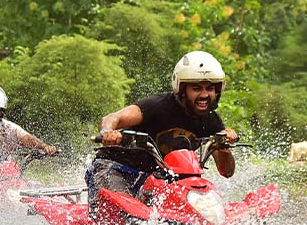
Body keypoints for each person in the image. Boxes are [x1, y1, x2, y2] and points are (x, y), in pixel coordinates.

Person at [86, 50, 239, 212]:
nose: (204, 95)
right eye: (196, 88)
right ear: (182, 89)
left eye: (210, 88)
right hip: (116, 168)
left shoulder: (212, 121)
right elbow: (114, 118)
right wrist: (108, 132)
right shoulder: (157, 106)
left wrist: (224, 148)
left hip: (157, 178)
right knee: (124, 211)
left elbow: (227, 172)